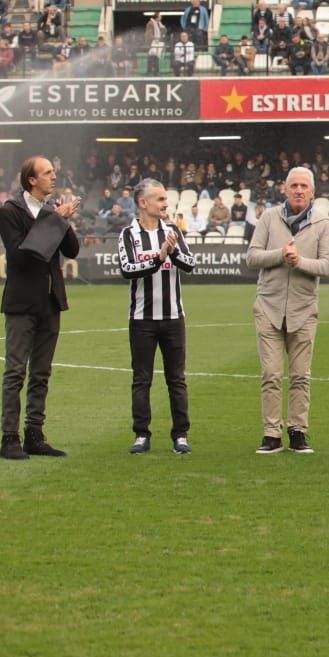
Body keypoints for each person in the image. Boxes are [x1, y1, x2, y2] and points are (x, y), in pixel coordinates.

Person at [0, 156, 81, 460]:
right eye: (47, 173)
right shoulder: (10, 211)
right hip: (21, 303)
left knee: (41, 373)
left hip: (50, 301)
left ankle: (34, 434)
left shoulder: (50, 211)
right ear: (31, 180)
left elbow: (72, 251)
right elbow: (22, 255)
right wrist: (55, 220)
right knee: (16, 372)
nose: (53, 176)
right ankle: (9, 438)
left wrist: (64, 220)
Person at [247, 167, 329, 454]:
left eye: (304, 186)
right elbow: (252, 257)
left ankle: (298, 431)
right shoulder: (269, 218)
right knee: (271, 375)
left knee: (300, 375)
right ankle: (271, 433)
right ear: (285, 189)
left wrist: (299, 262)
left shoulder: (322, 222)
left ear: (313, 192)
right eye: (294, 185)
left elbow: (328, 266)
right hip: (269, 306)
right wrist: (279, 256)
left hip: (304, 308)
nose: (298, 190)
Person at [118, 179, 196, 456]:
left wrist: (172, 253)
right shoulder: (129, 234)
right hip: (142, 319)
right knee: (142, 379)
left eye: (166, 199)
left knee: (177, 379)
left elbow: (190, 264)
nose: (166, 204)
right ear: (143, 203)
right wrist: (157, 258)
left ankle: (181, 435)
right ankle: (141, 434)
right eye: (160, 199)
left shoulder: (173, 231)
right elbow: (128, 269)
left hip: (174, 317)